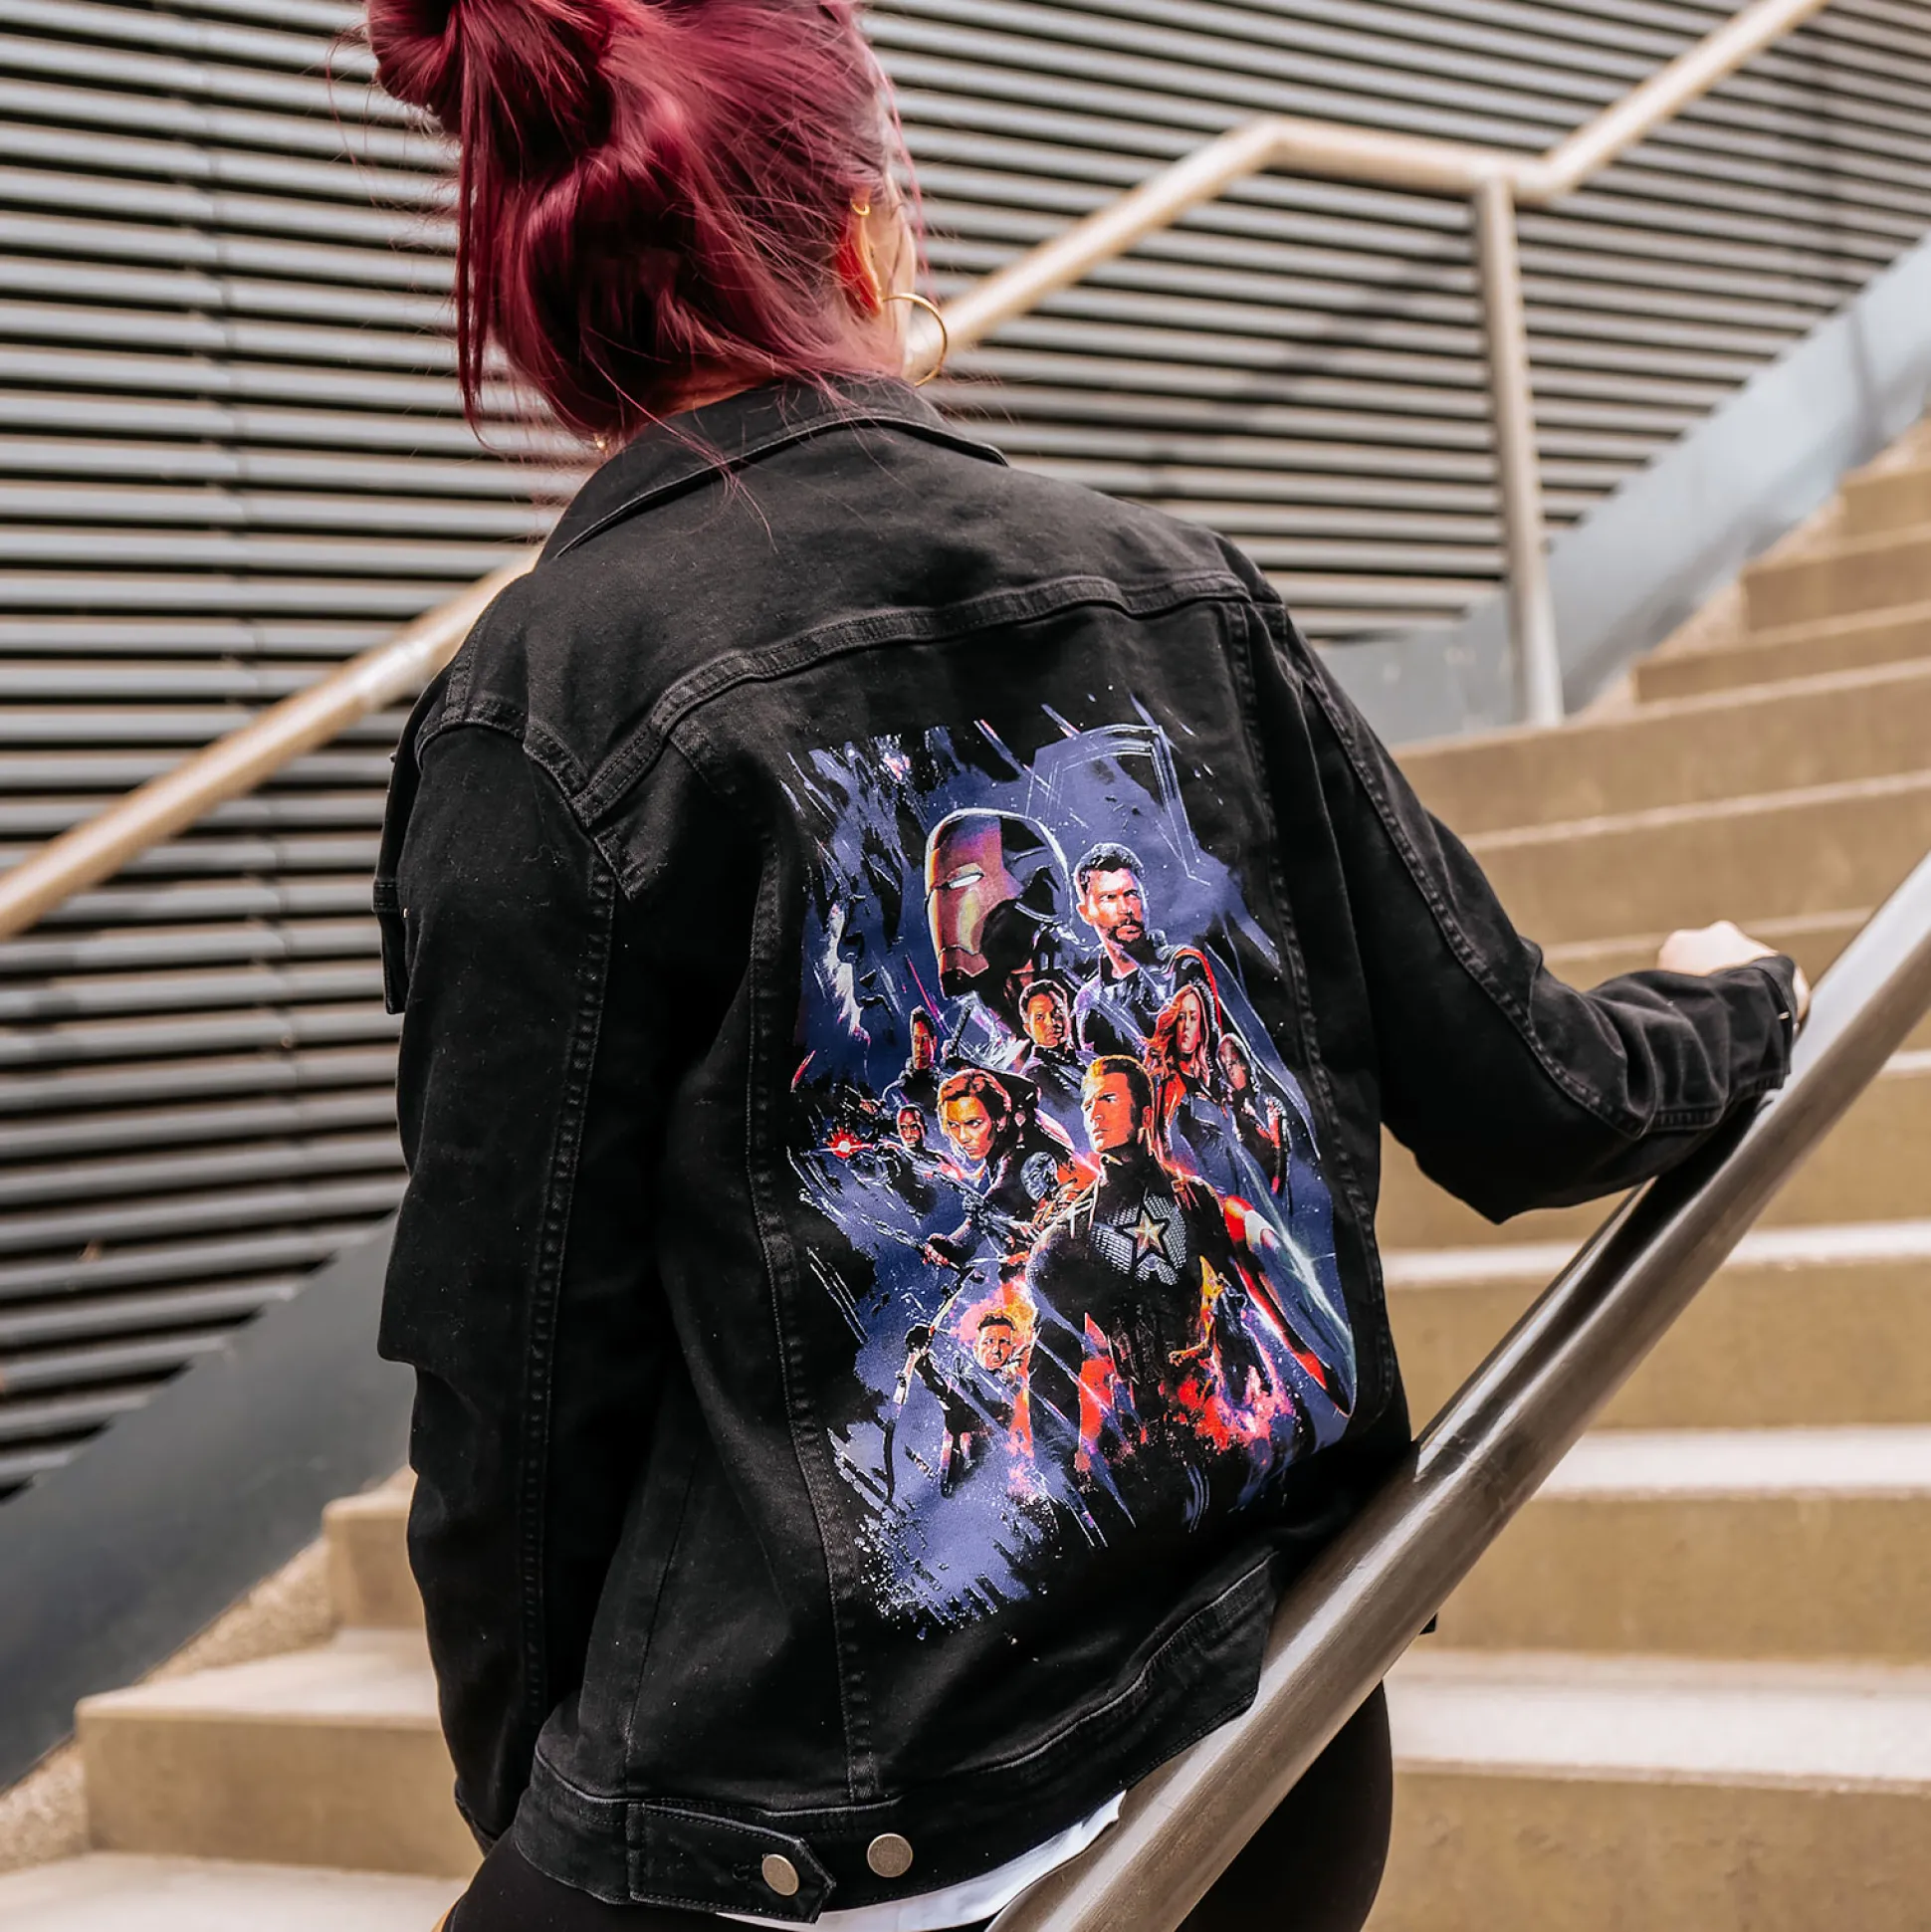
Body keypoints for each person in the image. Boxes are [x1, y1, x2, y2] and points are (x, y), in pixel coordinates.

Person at [369, 3, 1810, 1927]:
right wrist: (1734, 999)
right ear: (873, 234)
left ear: (557, 306)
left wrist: (543, 1813)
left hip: (825, 1839)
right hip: (1257, 1763)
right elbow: (1537, 1098)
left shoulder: (545, 708)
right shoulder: (1174, 590)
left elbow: (514, 1386)